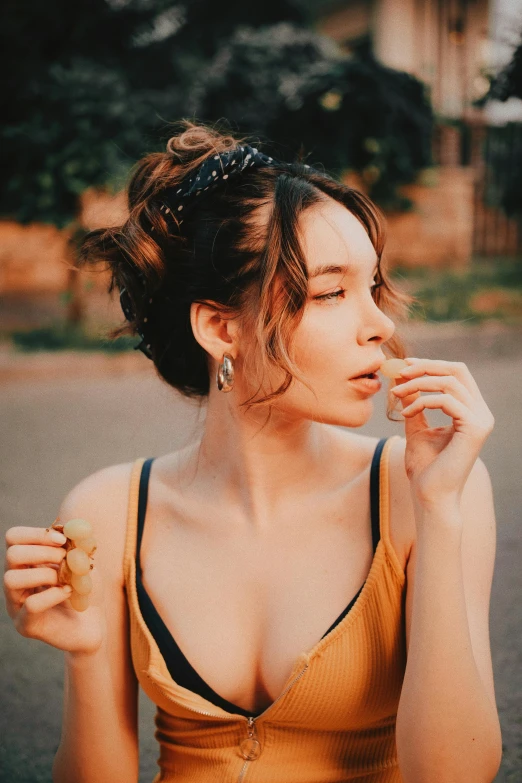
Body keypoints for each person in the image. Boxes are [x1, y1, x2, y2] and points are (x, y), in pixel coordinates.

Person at [4, 121, 502, 783]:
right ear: (219, 327)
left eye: (373, 287)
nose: (380, 324)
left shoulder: (431, 489)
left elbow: (455, 774)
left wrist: (439, 512)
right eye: (331, 292)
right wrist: (85, 651)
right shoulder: (111, 512)